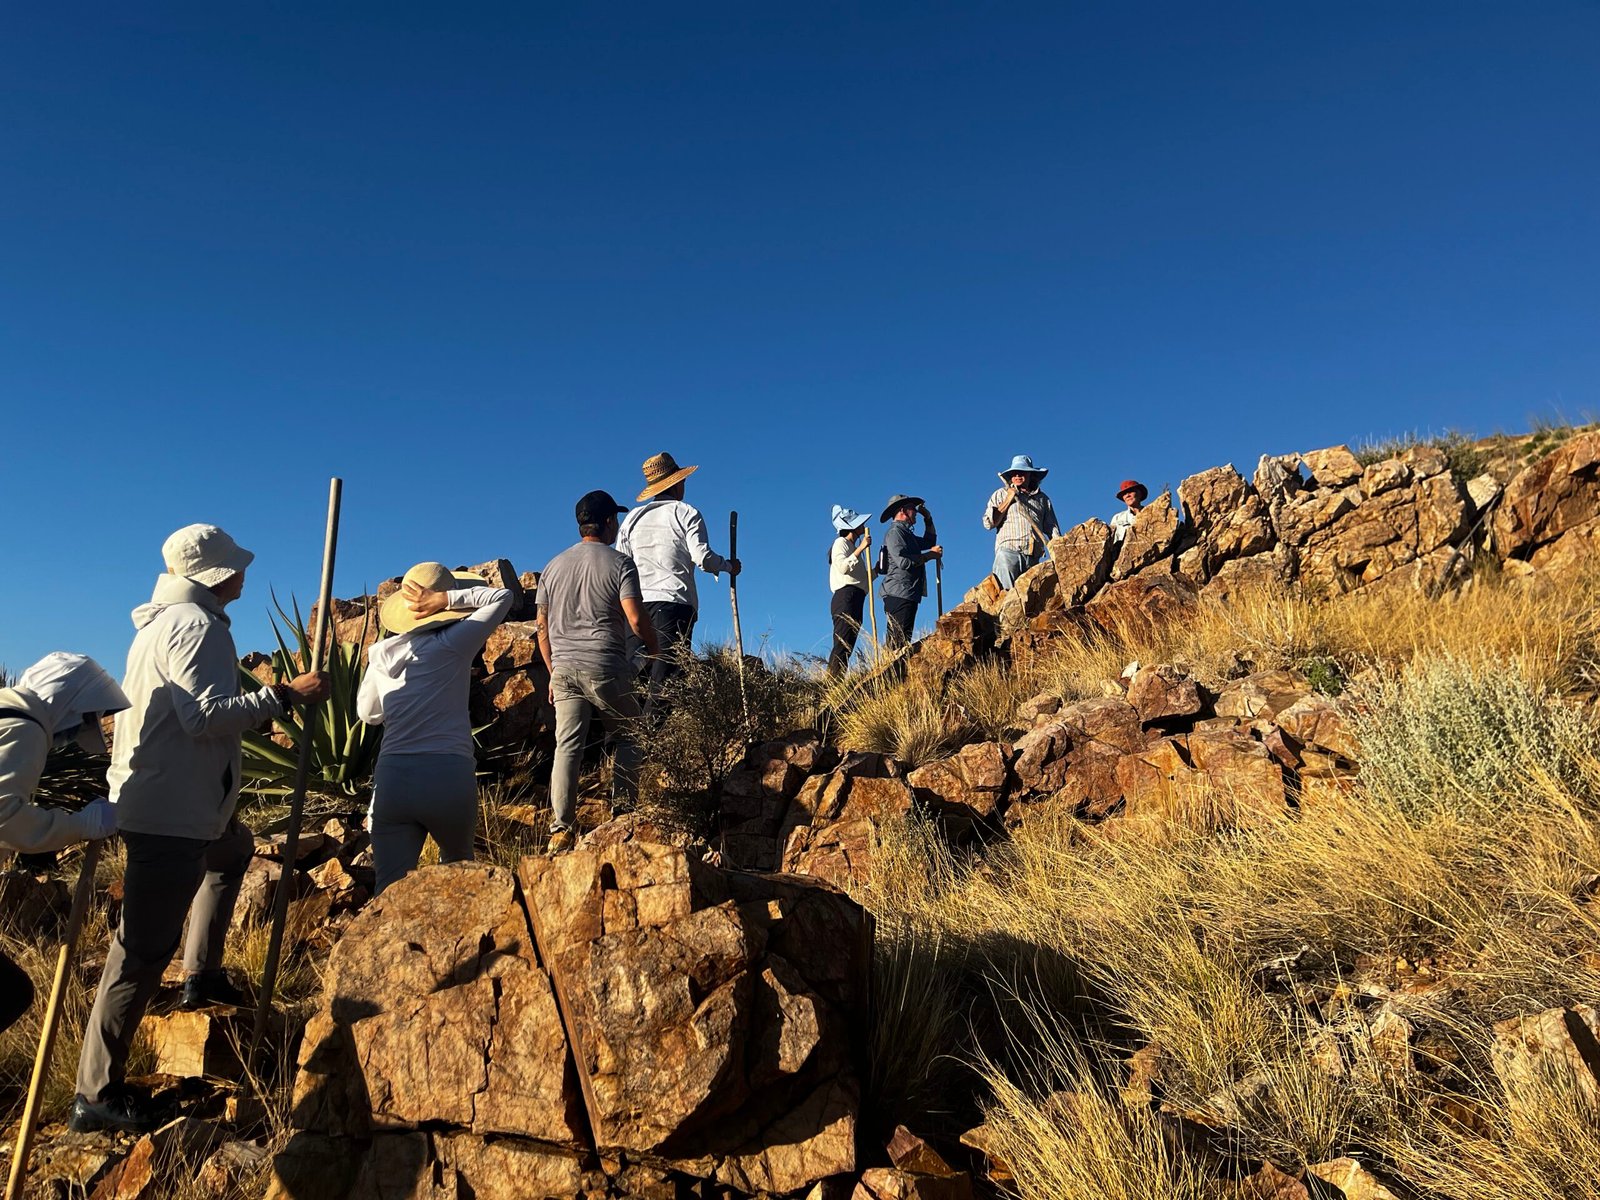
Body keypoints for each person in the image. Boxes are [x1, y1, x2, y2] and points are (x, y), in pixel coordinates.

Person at [71, 525, 328, 1134]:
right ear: (212, 576)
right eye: (234, 567)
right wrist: (283, 696)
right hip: (173, 814)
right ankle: (96, 1094)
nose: (243, 575)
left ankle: (202, 974)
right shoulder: (196, 627)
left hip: (182, 805)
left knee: (233, 849)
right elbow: (204, 715)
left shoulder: (164, 625)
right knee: (139, 953)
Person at [357, 563, 513, 895]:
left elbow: (368, 714)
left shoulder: (380, 655)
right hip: (447, 774)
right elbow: (502, 596)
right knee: (458, 874)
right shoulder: (454, 643)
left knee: (389, 891)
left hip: (393, 779)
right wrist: (446, 598)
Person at [0, 652, 129, 1034]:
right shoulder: (25, 726)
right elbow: (5, 817)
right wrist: (79, 826)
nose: (77, 732)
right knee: (11, 993)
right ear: (69, 700)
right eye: (87, 718)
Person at [538, 491, 660, 855]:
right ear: (608, 522)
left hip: (563, 670)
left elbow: (541, 628)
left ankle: (561, 828)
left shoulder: (553, 567)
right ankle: (623, 816)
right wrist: (656, 650)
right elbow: (636, 618)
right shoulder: (620, 563)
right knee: (630, 736)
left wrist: (552, 670)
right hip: (605, 666)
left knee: (568, 746)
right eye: (615, 520)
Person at [616, 452, 740, 711]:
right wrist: (729, 566)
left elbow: (622, 564)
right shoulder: (686, 513)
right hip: (673, 603)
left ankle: (625, 745)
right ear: (675, 483)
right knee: (665, 680)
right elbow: (703, 558)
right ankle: (650, 745)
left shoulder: (632, 519)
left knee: (632, 678)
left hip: (636, 605)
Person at [982, 454, 1062, 589]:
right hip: (1008, 553)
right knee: (1007, 597)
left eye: (1022, 472)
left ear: (1030, 475)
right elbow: (989, 523)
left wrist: (1059, 549)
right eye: (1014, 473)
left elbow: (1052, 528)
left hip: (1033, 558)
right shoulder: (1001, 494)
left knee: (1032, 601)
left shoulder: (1042, 499)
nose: (1018, 475)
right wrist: (1008, 499)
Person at [878, 495, 942, 650]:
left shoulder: (907, 535)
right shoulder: (895, 533)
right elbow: (903, 561)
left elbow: (929, 542)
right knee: (897, 642)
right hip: (899, 592)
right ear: (902, 511)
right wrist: (929, 555)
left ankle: (896, 671)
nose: (916, 513)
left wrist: (928, 518)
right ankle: (892, 672)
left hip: (908, 592)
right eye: (913, 509)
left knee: (902, 640)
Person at [826, 505, 872, 678]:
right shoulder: (841, 543)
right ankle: (831, 682)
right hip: (846, 596)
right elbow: (843, 567)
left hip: (857, 596)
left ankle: (837, 681)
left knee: (848, 644)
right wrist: (861, 548)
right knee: (842, 642)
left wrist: (875, 571)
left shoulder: (852, 547)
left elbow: (861, 579)